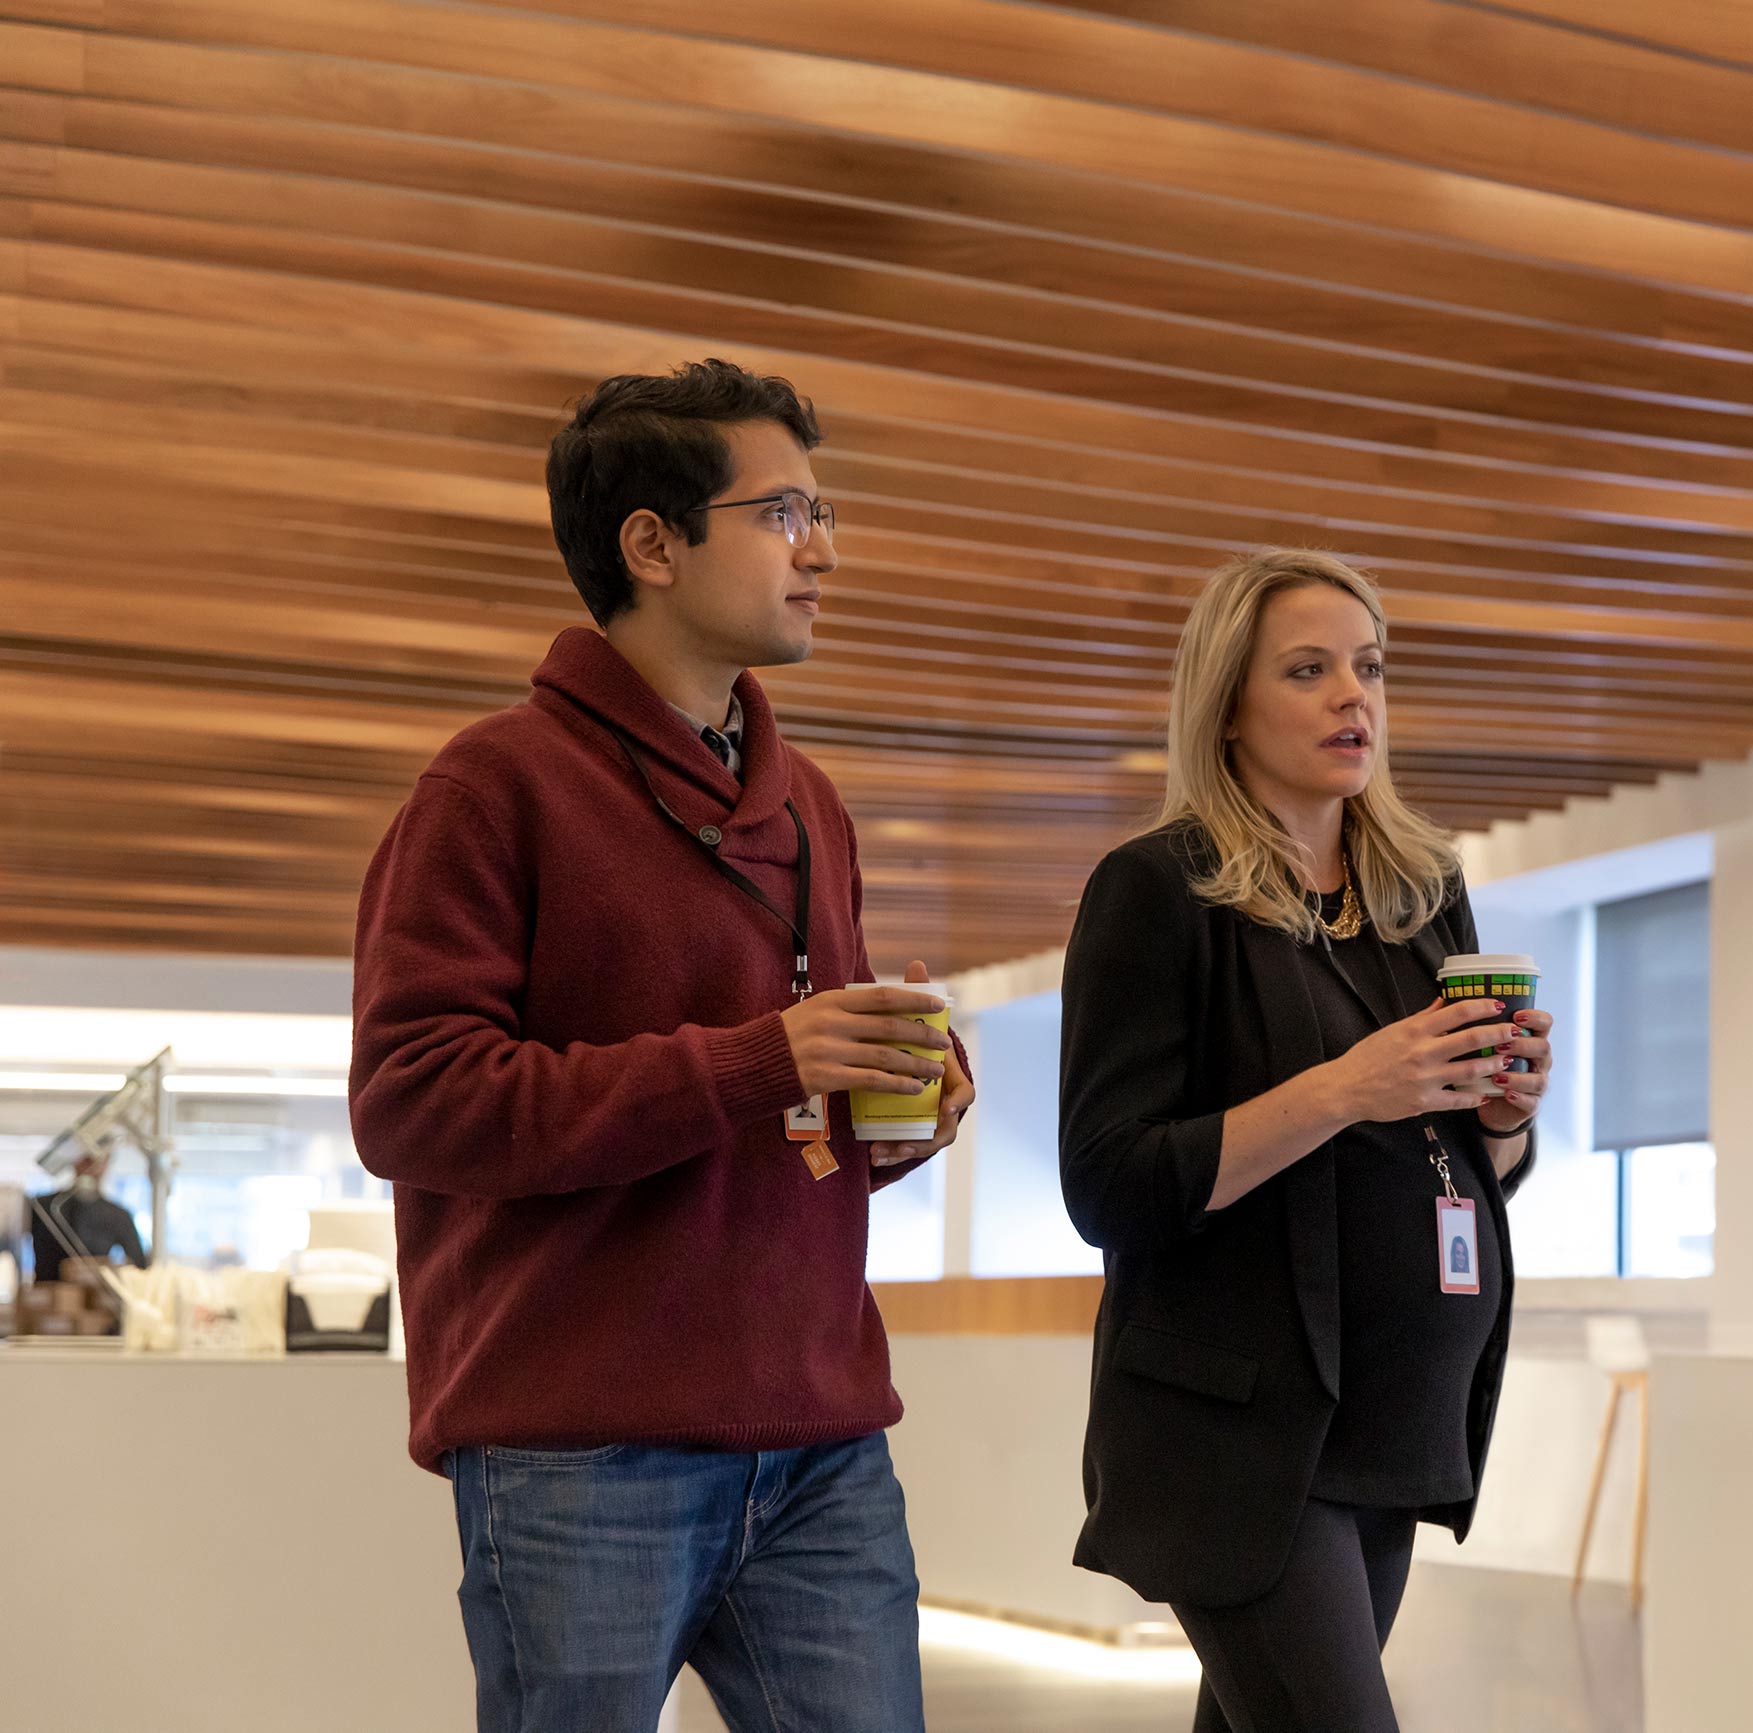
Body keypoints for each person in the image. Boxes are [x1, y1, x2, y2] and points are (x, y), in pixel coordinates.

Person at [349, 358, 972, 1733]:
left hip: (819, 1437)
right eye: (784, 513)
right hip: (580, 1448)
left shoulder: (812, 803)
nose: (824, 550)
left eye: (821, 512)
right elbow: (412, 1103)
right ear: (653, 542)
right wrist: (765, 1057)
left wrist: (897, 1112)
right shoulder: (490, 786)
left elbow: (799, 1132)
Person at [1059, 548, 1558, 1733]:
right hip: (1238, 1436)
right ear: (1230, 700)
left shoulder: (1420, 891)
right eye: (1310, 668)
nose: (1355, 696)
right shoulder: (1158, 890)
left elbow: (1457, 1168)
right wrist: (1344, 1086)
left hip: (1393, 1412)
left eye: (1370, 666)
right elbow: (1112, 1183)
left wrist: (1502, 1119)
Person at [26, 1153, 148, 1285]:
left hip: (94, 1297)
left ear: (105, 1165)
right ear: (74, 1161)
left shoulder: (117, 1215)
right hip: (47, 1296)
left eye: (97, 1162)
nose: (91, 1167)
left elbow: (138, 1265)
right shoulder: (42, 1207)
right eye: (86, 1160)